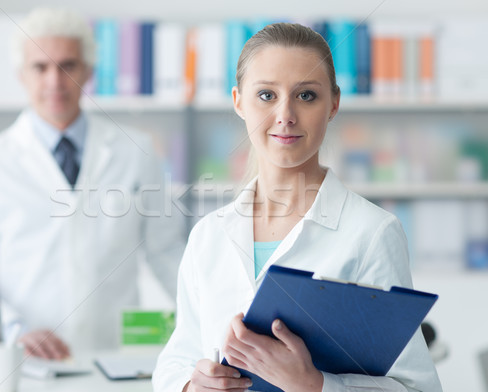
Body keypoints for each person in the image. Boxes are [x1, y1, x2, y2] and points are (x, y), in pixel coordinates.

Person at [152, 23, 442, 392]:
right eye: (266, 95)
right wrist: (192, 386)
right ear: (239, 101)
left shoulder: (371, 232)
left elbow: (418, 387)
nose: (285, 114)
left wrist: (315, 385)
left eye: (306, 96)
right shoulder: (208, 235)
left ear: (333, 104)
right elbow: (176, 359)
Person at [0, 8, 185, 359]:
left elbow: (166, 251)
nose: (55, 81)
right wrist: (13, 329)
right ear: (21, 75)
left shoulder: (136, 150)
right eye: (40, 67)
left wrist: (211, 318)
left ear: (89, 72)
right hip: (24, 358)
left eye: (68, 65)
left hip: (112, 355)